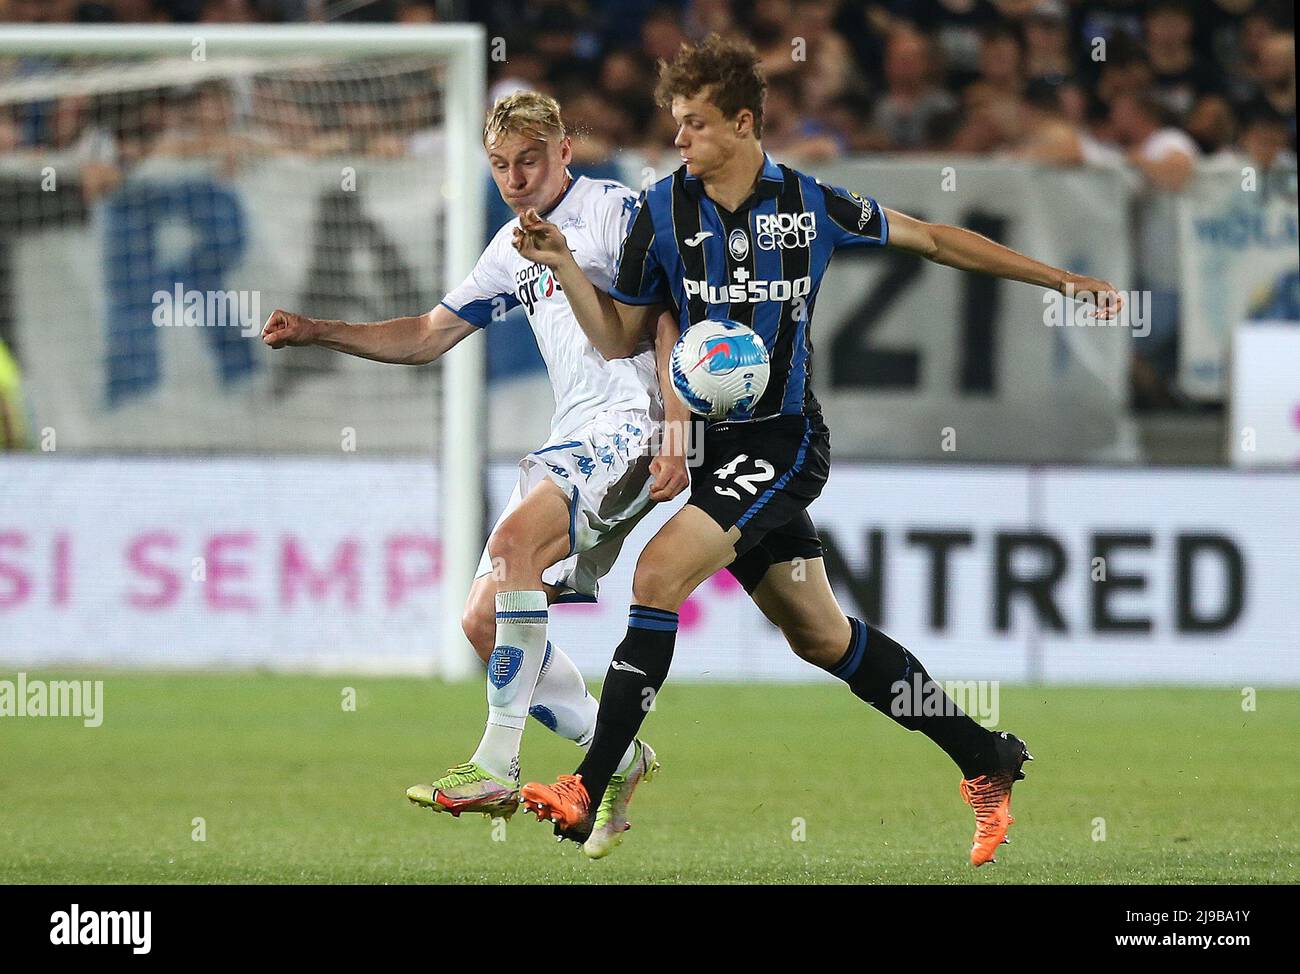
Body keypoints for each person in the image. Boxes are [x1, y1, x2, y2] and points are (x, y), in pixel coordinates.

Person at [514, 35, 1122, 867]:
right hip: (720, 448)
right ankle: (986, 756)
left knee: (657, 575)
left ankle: (585, 786)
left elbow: (937, 240)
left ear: (740, 122)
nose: (679, 140)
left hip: (784, 442)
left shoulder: (810, 206)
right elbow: (620, 337)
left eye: (693, 125)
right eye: (673, 124)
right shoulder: (661, 212)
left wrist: (1062, 282)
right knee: (822, 637)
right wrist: (567, 270)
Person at [261, 91, 684, 859]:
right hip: (573, 437)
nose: (516, 178)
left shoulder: (615, 211)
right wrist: (321, 330)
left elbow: (664, 314)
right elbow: (428, 335)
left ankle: (495, 763)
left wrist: (677, 430)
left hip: (634, 425)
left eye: (530, 160)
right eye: (500, 165)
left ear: (562, 149)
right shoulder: (507, 248)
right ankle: (619, 756)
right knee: (482, 622)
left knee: (514, 544)